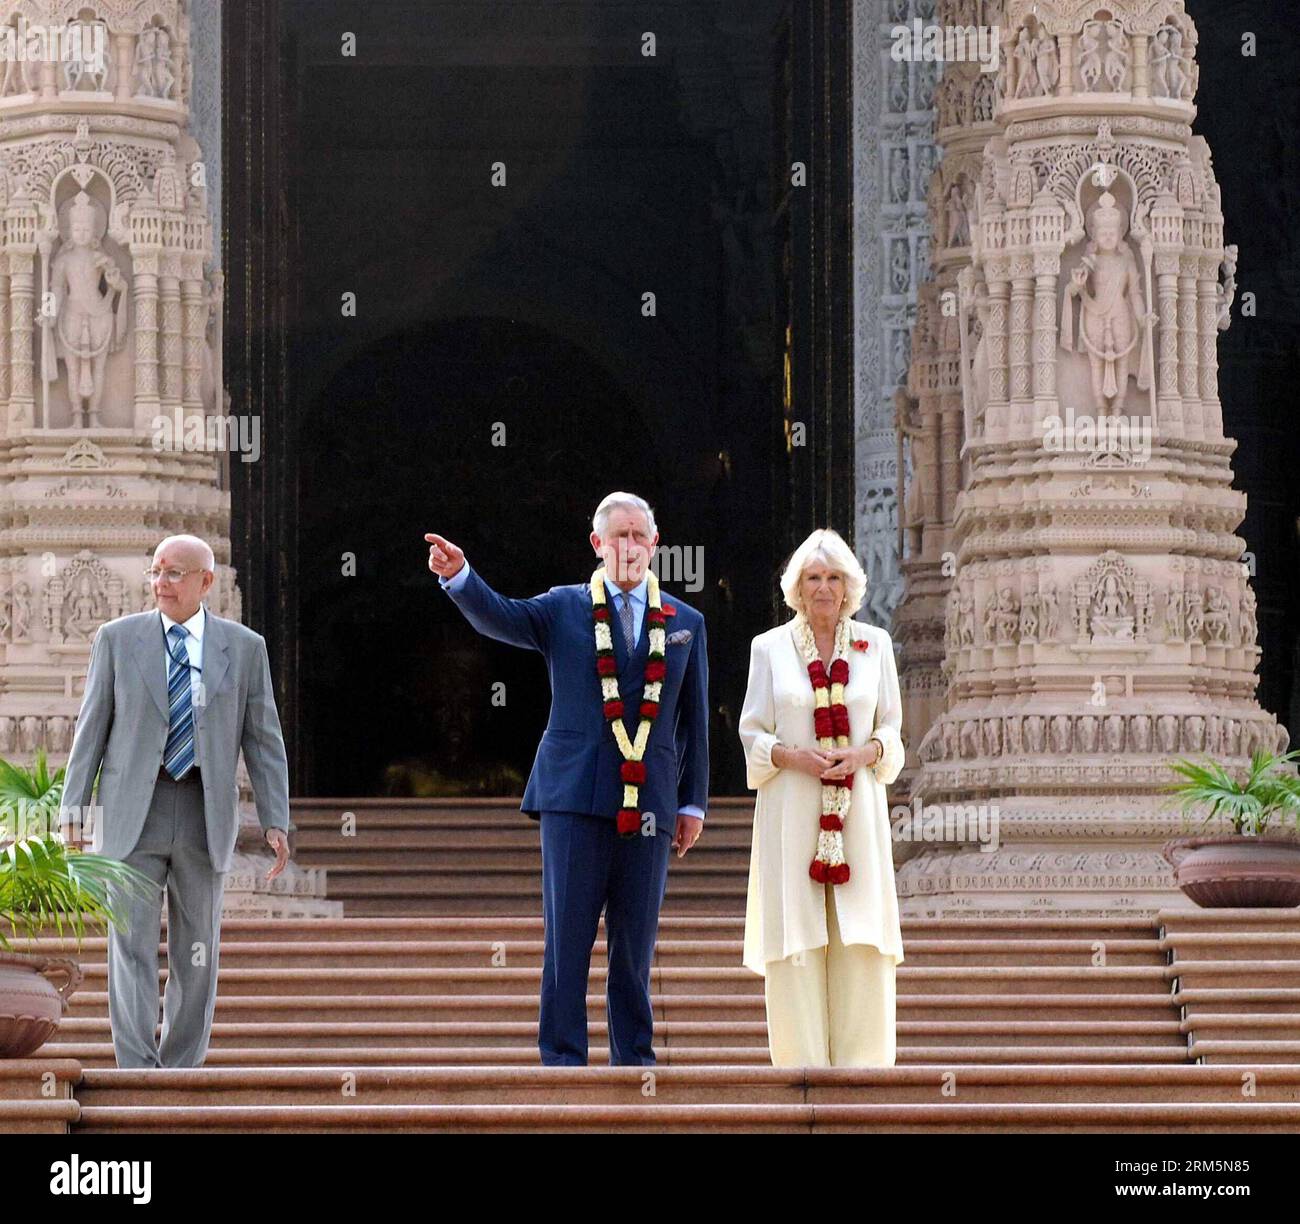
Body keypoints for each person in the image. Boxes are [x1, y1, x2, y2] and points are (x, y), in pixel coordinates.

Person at [426, 491, 709, 1065]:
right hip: (575, 796)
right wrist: (461, 579)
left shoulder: (685, 622)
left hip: (651, 802)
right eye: (617, 536)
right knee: (568, 940)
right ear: (597, 545)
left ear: (655, 545)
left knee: (635, 945)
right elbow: (502, 615)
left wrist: (693, 804)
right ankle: (562, 1060)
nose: (628, 546)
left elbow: (694, 722)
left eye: (638, 536)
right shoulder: (564, 607)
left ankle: (635, 1058)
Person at [61, 534, 291, 1068]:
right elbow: (90, 729)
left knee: (198, 952)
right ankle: (138, 1067)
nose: (161, 583)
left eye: (174, 574)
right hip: (130, 814)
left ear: (205, 582)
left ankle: (182, 1068)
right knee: (130, 945)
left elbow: (263, 738)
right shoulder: (117, 639)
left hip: (202, 812)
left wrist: (275, 819)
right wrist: (73, 809)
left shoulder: (245, 647)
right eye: (156, 572)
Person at [738, 527, 905, 1067]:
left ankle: (864, 1076)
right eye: (814, 577)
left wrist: (865, 753)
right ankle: (801, 1070)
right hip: (792, 807)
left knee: (858, 935)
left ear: (850, 587)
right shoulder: (769, 648)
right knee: (798, 937)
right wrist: (792, 757)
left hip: (857, 811)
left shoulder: (874, 645)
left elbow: (893, 732)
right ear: (797, 587)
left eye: (834, 577)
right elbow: (751, 731)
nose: (824, 588)